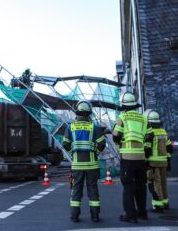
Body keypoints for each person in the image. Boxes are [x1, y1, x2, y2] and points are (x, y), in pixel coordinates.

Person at [112, 92, 153, 223]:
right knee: (141, 185)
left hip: (128, 158)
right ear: (135, 105)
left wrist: (120, 144)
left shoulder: (122, 117)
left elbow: (116, 136)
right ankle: (142, 212)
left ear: (123, 105)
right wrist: (145, 153)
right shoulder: (143, 118)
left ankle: (130, 215)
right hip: (141, 158)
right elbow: (150, 137)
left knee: (128, 186)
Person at [63, 100, 106, 223]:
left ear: (77, 112)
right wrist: (95, 153)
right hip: (92, 165)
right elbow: (102, 144)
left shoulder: (70, 127)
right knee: (93, 190)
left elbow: (65, 144)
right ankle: (95, 216)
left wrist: (73, 153)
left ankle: (74, 216)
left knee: (76, 189)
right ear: (89, 113)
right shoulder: (94, 127)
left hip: (77, 165)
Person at [144, 109, 172, 212]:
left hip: (153, 163)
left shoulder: (150, 133)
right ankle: (165, 203)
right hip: (164, 162)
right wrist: (168, 161)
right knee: (163, 183)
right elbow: (170, 148)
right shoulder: (164, 132)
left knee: (155, 183)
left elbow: (147, 149)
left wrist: (146, 161)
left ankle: (158, 205)